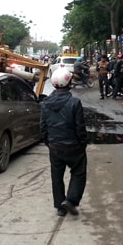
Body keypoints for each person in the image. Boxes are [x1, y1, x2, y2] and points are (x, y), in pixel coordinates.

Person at [40, 67, 88, 217]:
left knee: (56, 176)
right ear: (69, 83)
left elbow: (43, 126)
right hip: (74, 146)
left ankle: (60, 207)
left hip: (55, 146)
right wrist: (83, 142)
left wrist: (48, 142)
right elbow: (80, 126)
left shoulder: (46, 103)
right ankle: (71, 200)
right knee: (79, 173)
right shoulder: (75, 102)